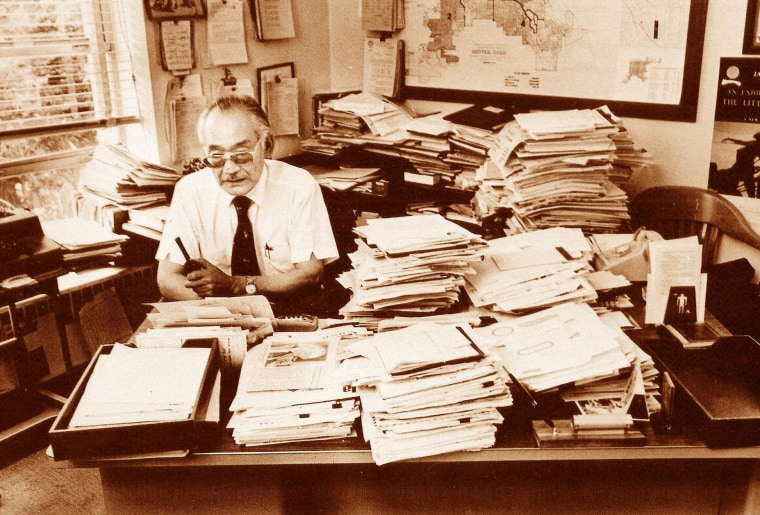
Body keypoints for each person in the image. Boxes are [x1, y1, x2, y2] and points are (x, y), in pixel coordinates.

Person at [155, 95, 340, 316]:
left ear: (267, 145)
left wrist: (237, 285)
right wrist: (230, 312)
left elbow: (310, 275)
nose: (230, 169)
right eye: (216, 157)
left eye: (241, 155)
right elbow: (167, 279)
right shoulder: (190, 190)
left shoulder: (298, 185)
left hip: (290, 310)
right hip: (221, 315)